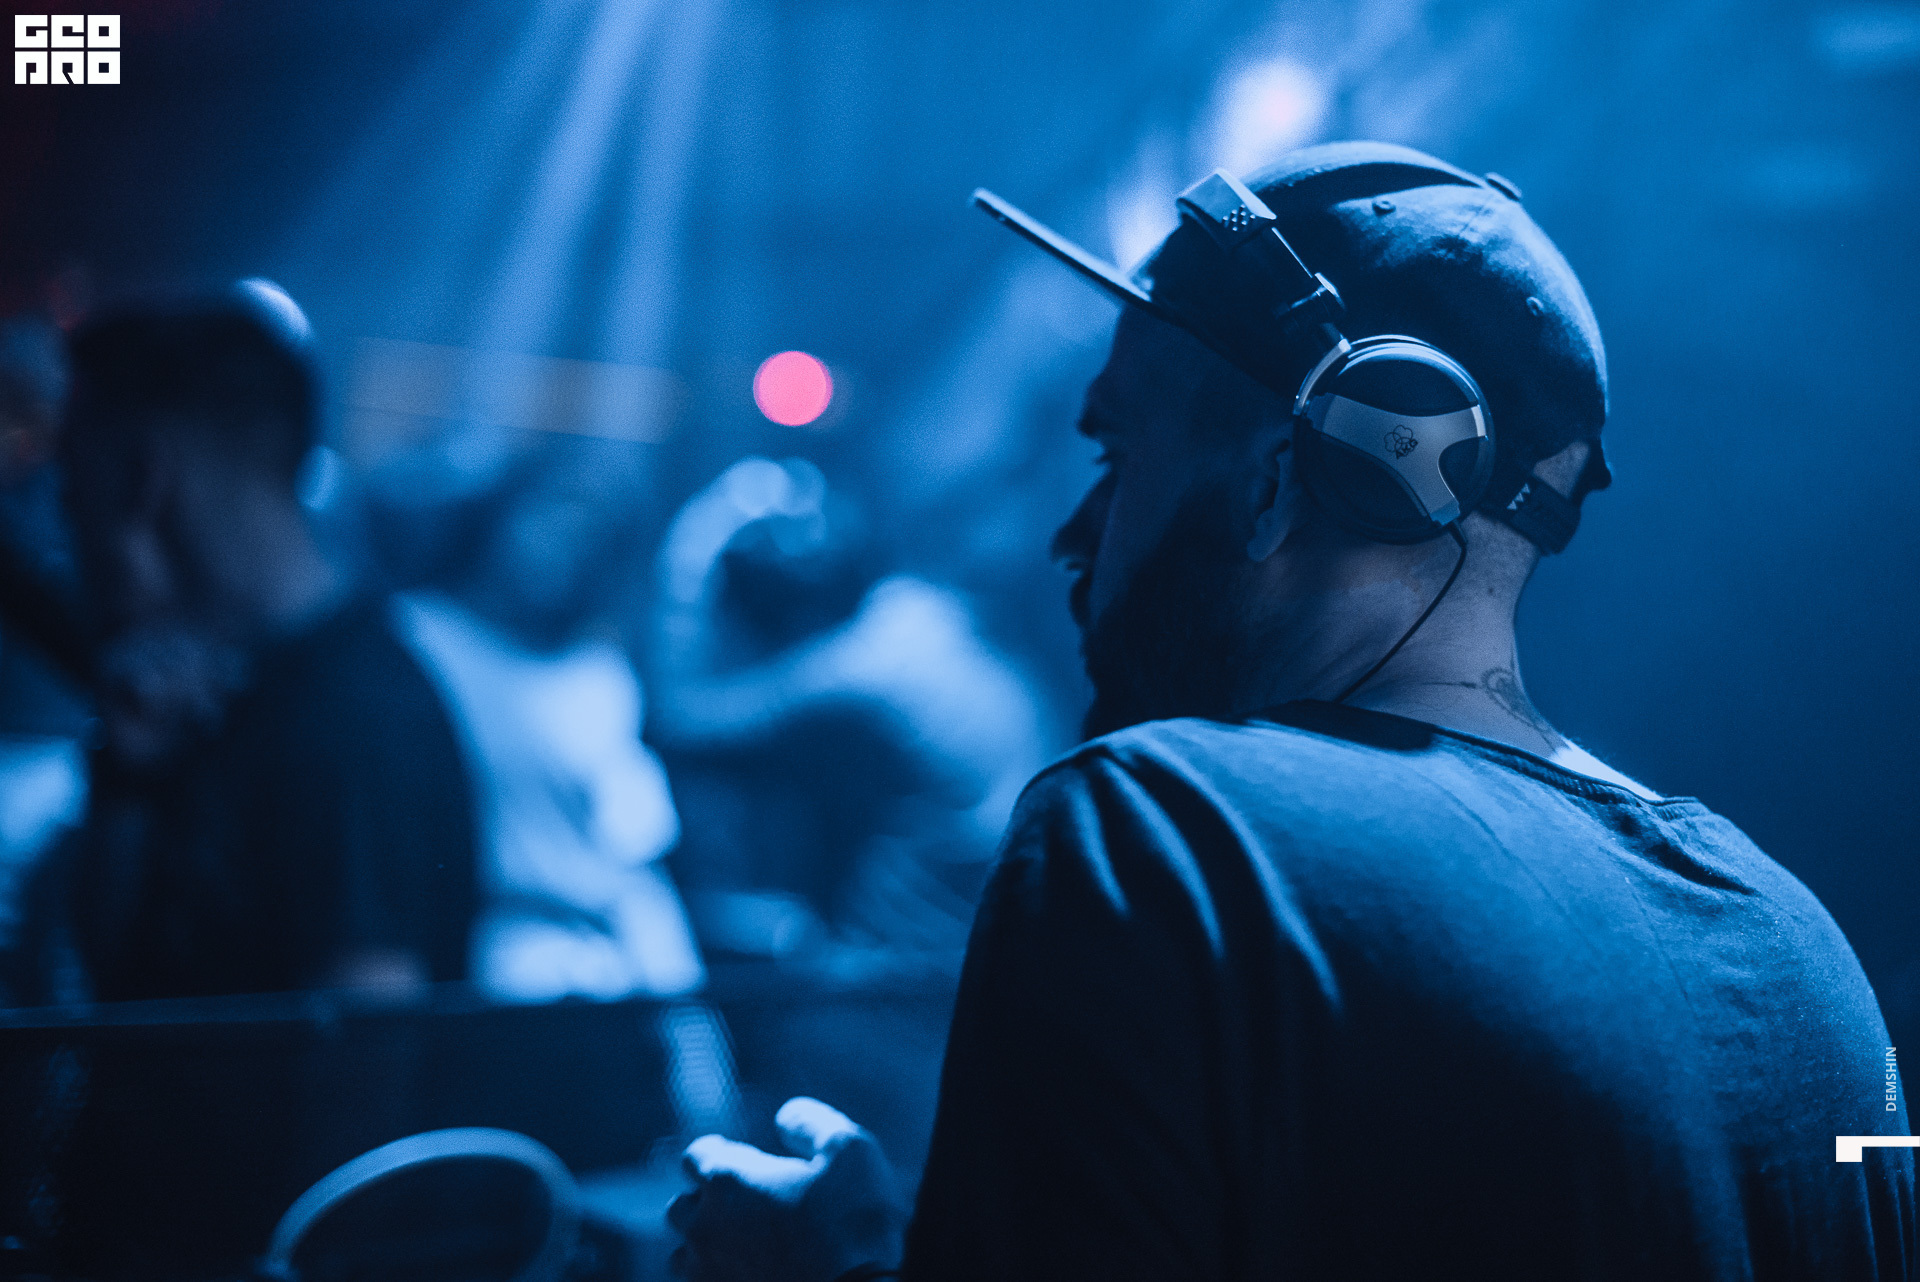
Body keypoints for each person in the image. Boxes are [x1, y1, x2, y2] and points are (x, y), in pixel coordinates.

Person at [665, 142, 1914, 1279]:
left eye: (1117, 455)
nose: (1075, 531)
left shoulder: (1165, 842)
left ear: (1277, 481)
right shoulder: (1803, 953)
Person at [28, 286, 478, 1002]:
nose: (67, 537)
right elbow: (114, 976)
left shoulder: (354, 719)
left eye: (76, 494)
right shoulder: (213, 690)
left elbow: (367, 1041)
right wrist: (127, 780)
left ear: (146, 479)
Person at [392, 433, 705, 1003]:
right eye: (557, 509)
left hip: (592, 978)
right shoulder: (414, 641)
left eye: (596, 528)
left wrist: (687, 1016)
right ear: (504, 506)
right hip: (464, 969)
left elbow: (636, 867)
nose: (569, 540)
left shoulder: (600, 676)